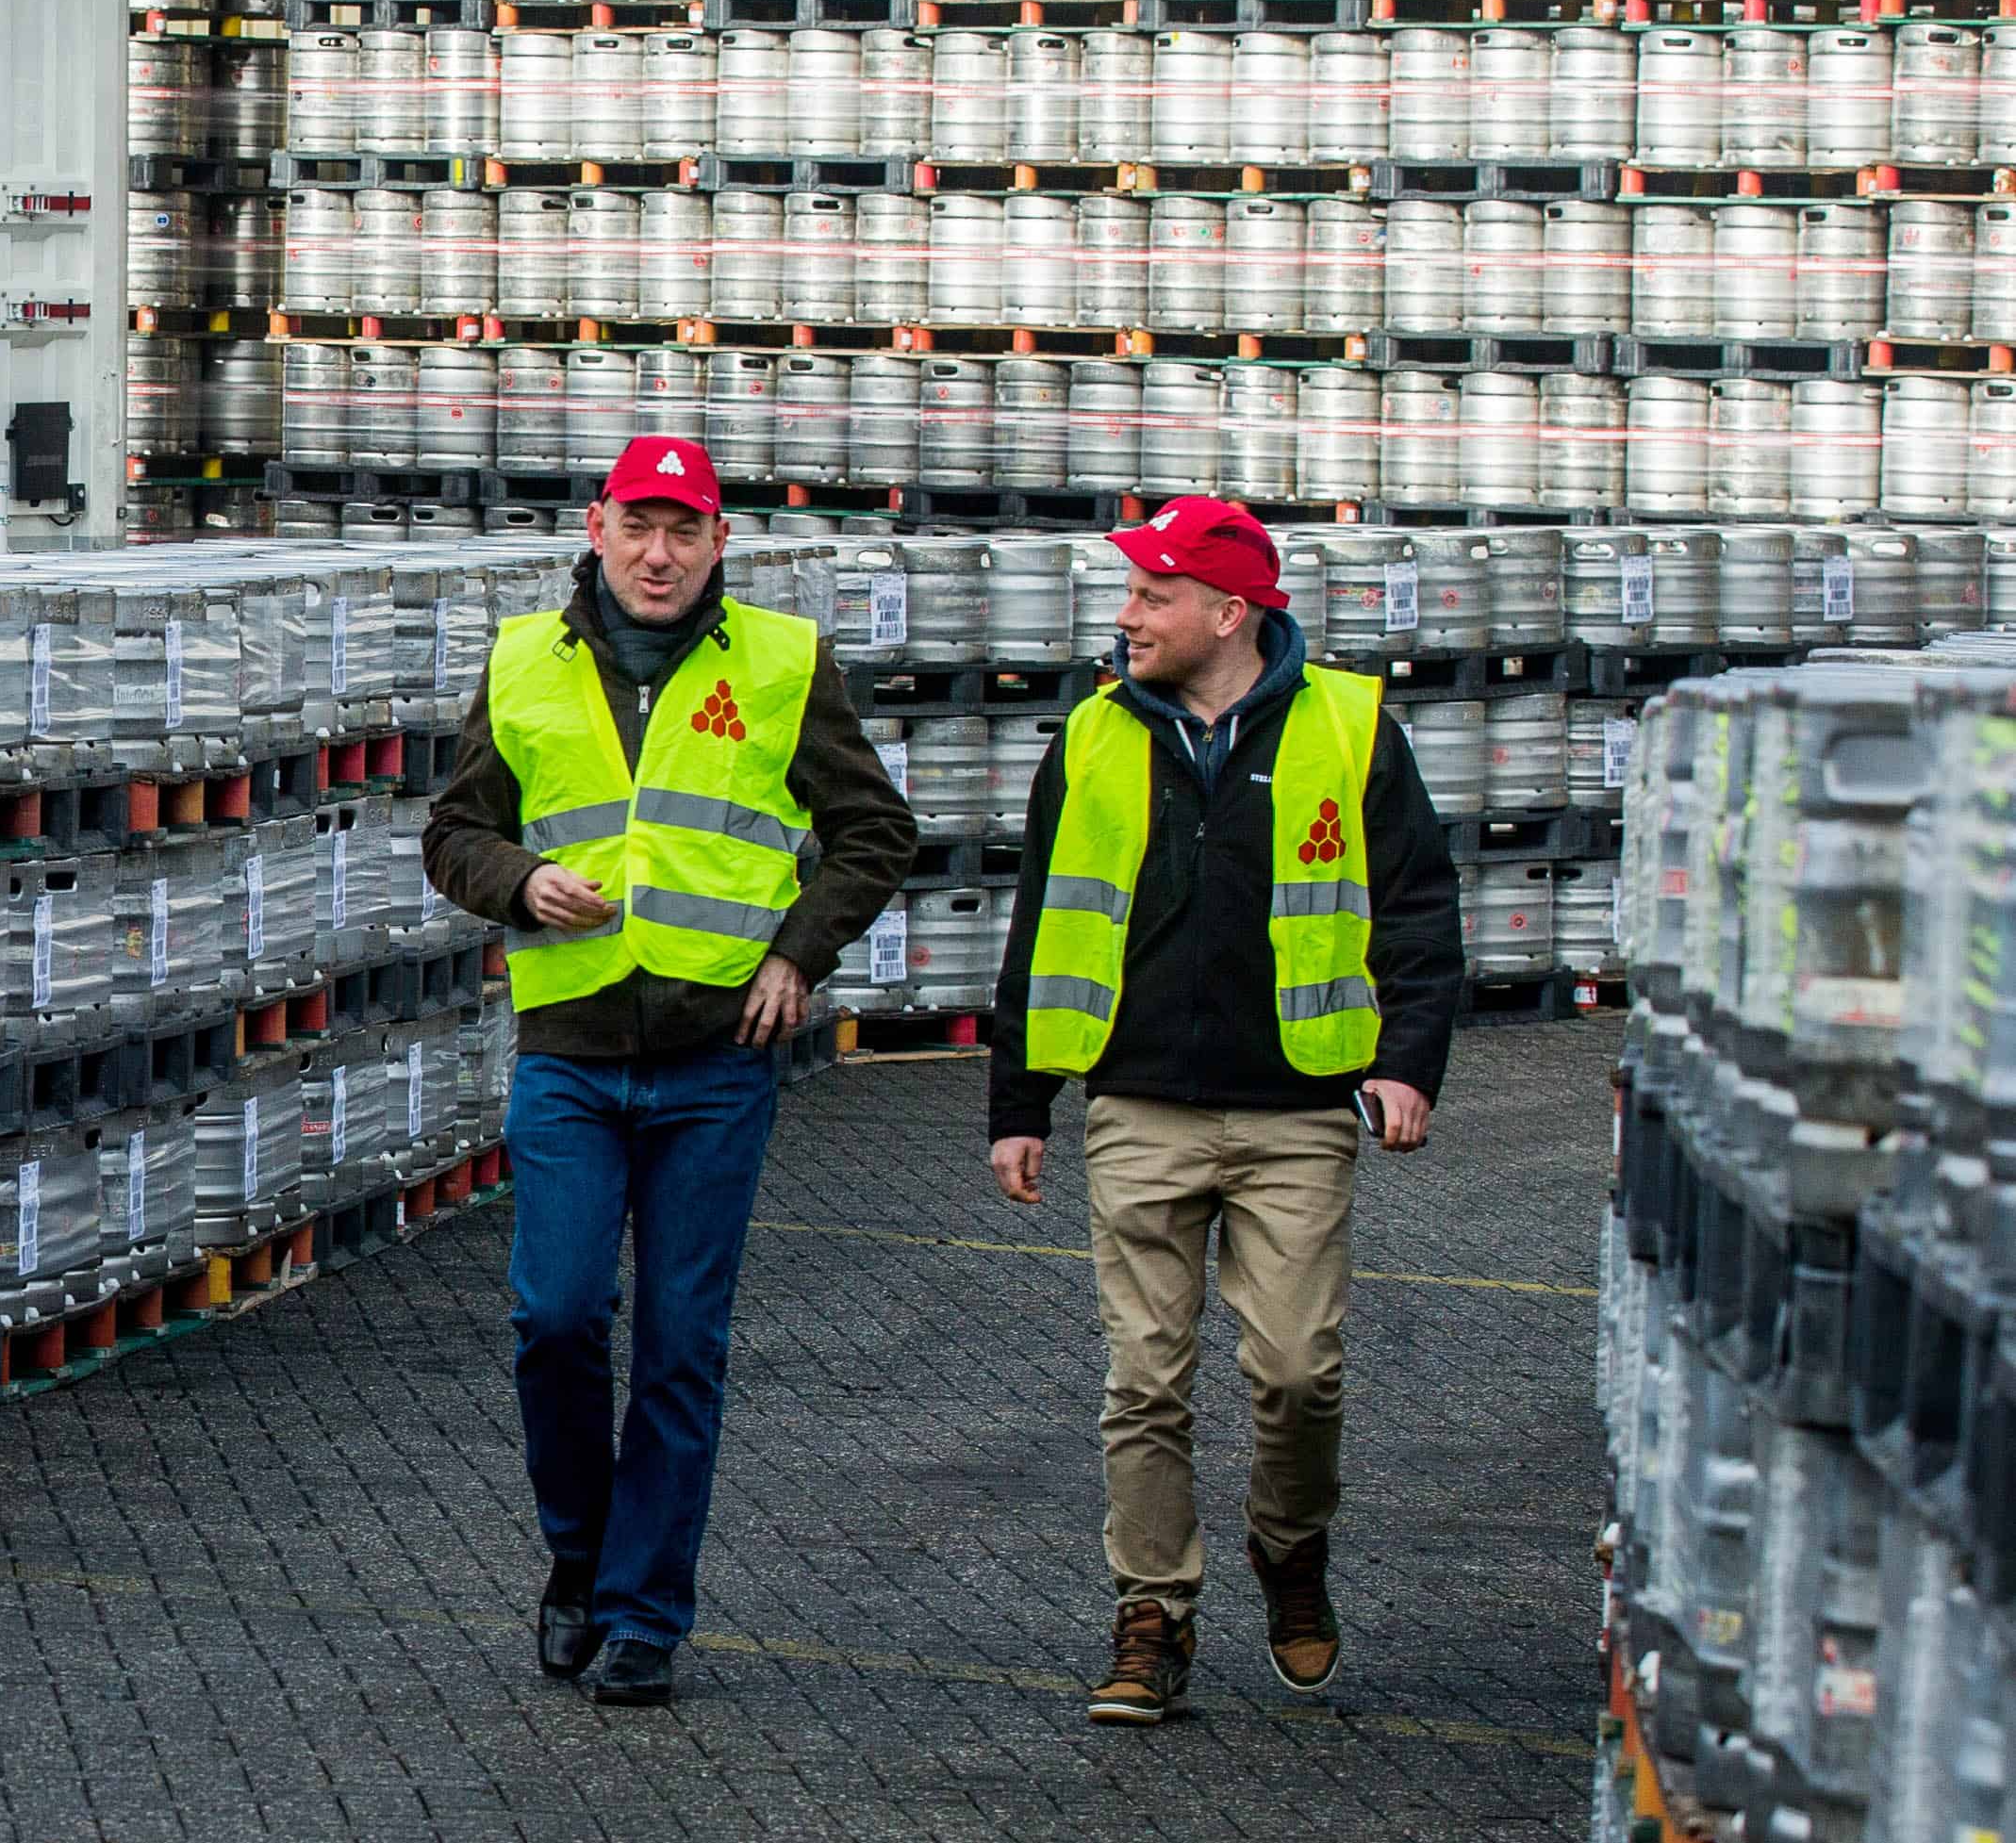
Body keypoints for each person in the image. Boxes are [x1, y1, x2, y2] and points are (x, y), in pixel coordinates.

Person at [422, 436, 918, 1708]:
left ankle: (645, 1614)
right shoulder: (524, 660)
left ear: (718, 543)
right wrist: (520, 880)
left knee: (682, 1345)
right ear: (597, 528)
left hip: (716, 1060)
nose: (659, 554)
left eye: (684, 530)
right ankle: (579, 1558)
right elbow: (455, 832)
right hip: (572, 1053)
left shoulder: (784, 663)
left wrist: (799, 952)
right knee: (556, 1317)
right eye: (638, 527)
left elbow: (875, 831)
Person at [983, 498, 1460, 1728]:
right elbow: (1041, 923)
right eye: (1131, 594)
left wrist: (1409, 1061)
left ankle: (1289, 1547)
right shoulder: (1092, 734)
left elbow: (1417, 906)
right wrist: (1019, 1102)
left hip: (1297, 1110)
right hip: (1137, 1104)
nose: (1129, 616)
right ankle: (1153, 1614)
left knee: (1298, 1373)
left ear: (1228, 613)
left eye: (1154, 595)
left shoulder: (1350, 728)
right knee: (1143, 1381)